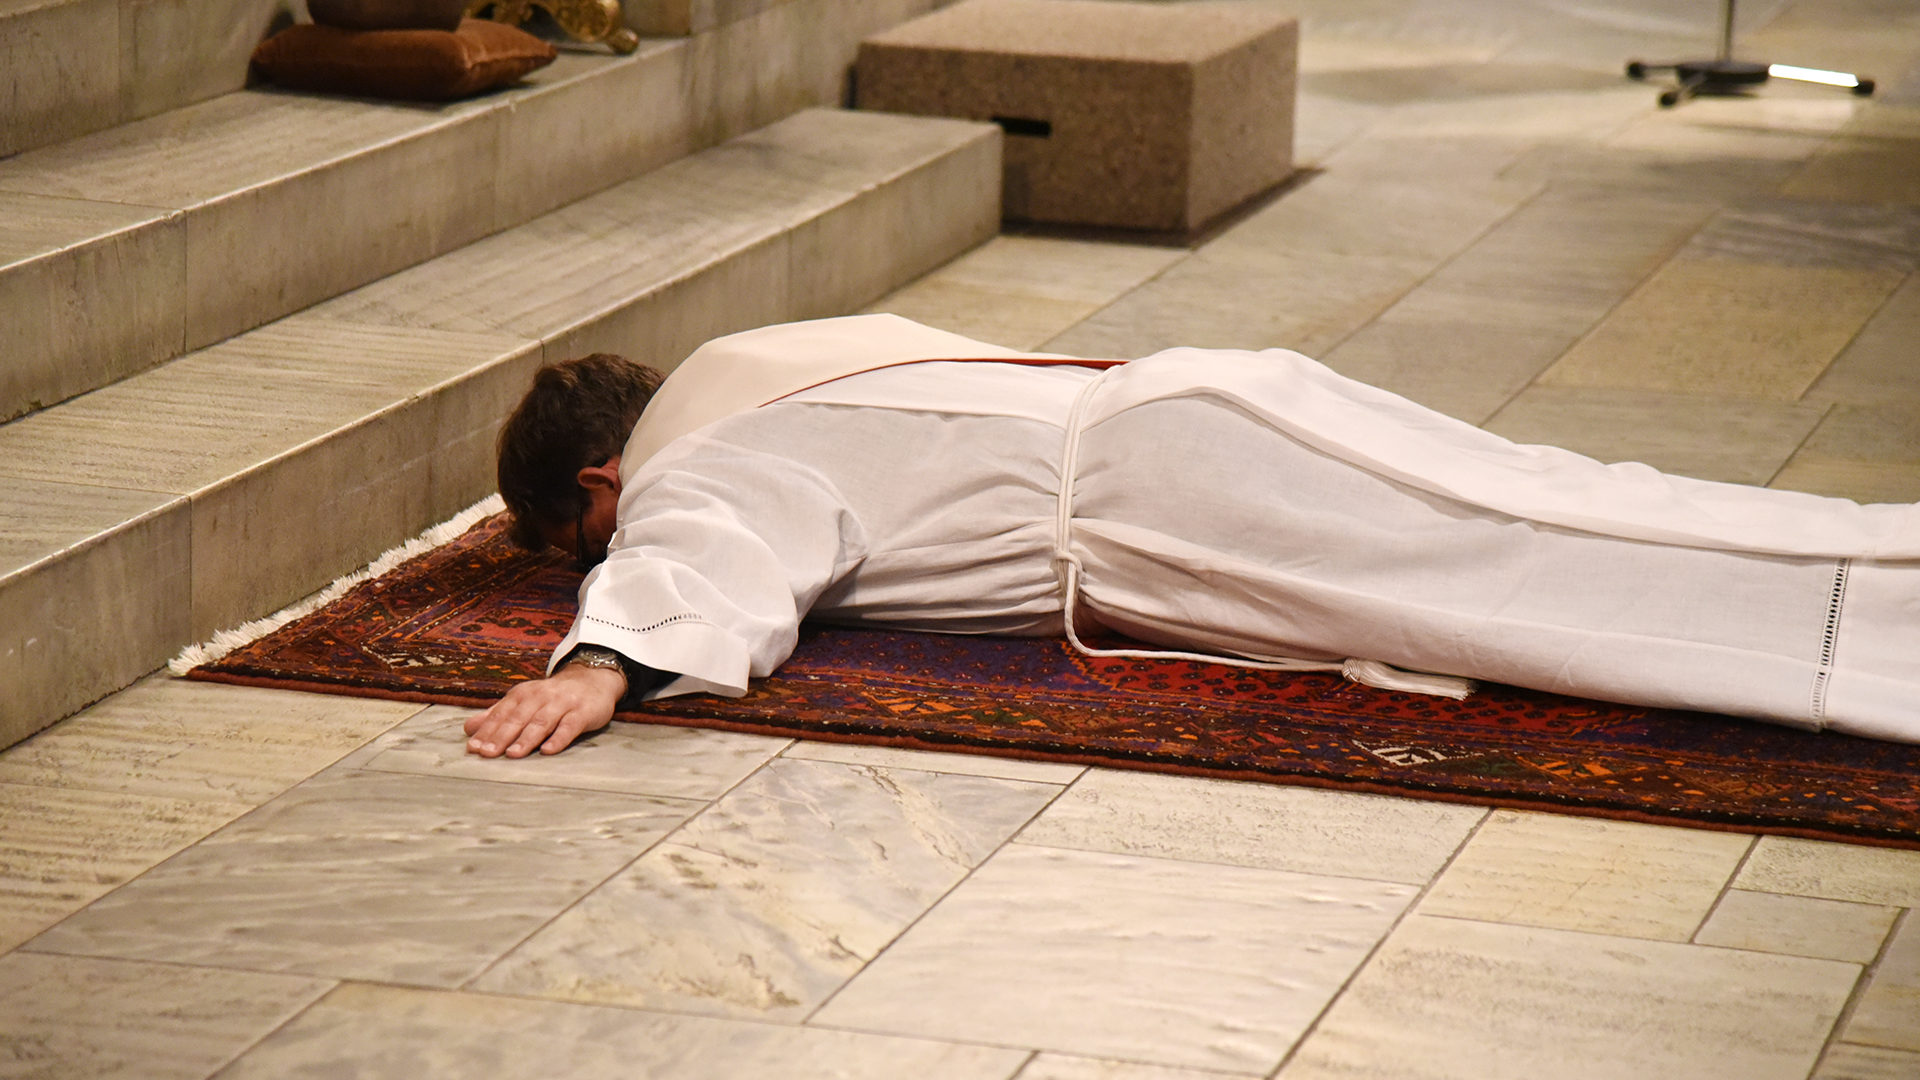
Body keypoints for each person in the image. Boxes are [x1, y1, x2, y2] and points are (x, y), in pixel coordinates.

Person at [465, 314, 1920, 758]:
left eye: (580, 542)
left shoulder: (694, 462)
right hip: (1193, 406)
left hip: (1172, 497)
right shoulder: (772, 358)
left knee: (1528, 583)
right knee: (1567, 502)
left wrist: (600, 660)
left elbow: (703, 554)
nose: (602, 553)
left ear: (602, 481)